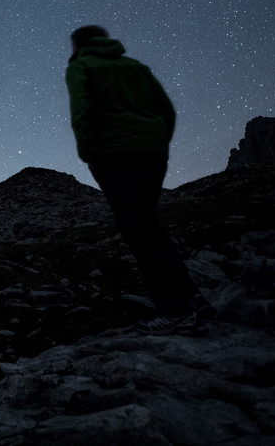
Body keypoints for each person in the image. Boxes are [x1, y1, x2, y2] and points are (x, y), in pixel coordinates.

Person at [66, 25, 204, 335]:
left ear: (78, 45)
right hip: (152, 152)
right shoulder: (135, 66)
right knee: (147, 224)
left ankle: (174, 310)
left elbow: (82, 111)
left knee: (138, 230)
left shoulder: (81, 66)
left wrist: (88, 151)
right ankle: (191, 296)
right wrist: (156, 140)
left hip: (113, 152)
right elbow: (166, 110)